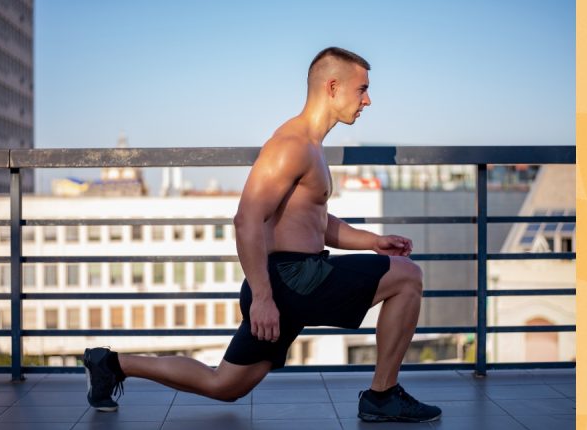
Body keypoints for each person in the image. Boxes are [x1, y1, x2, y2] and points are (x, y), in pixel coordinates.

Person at [83, 47, 442, 423]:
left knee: (224, 385)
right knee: (407, 277)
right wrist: (263, 298)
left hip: (291, 279)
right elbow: (247, 219)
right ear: (333, 86)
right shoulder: (291, 146)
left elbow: (316, 223)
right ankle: (382, 395)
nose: (368, 100)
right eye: (362, 89)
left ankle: (110, 364)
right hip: (290, 279)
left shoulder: (312, 147)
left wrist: (372, 242)